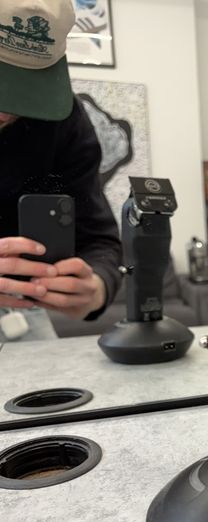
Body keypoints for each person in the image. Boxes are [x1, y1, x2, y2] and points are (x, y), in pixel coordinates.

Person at [0, 0, 121, 341]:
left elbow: (99, 239)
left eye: (22, 89)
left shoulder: (63, 123)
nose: (5, 112)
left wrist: (94, 288)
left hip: (18, 308)